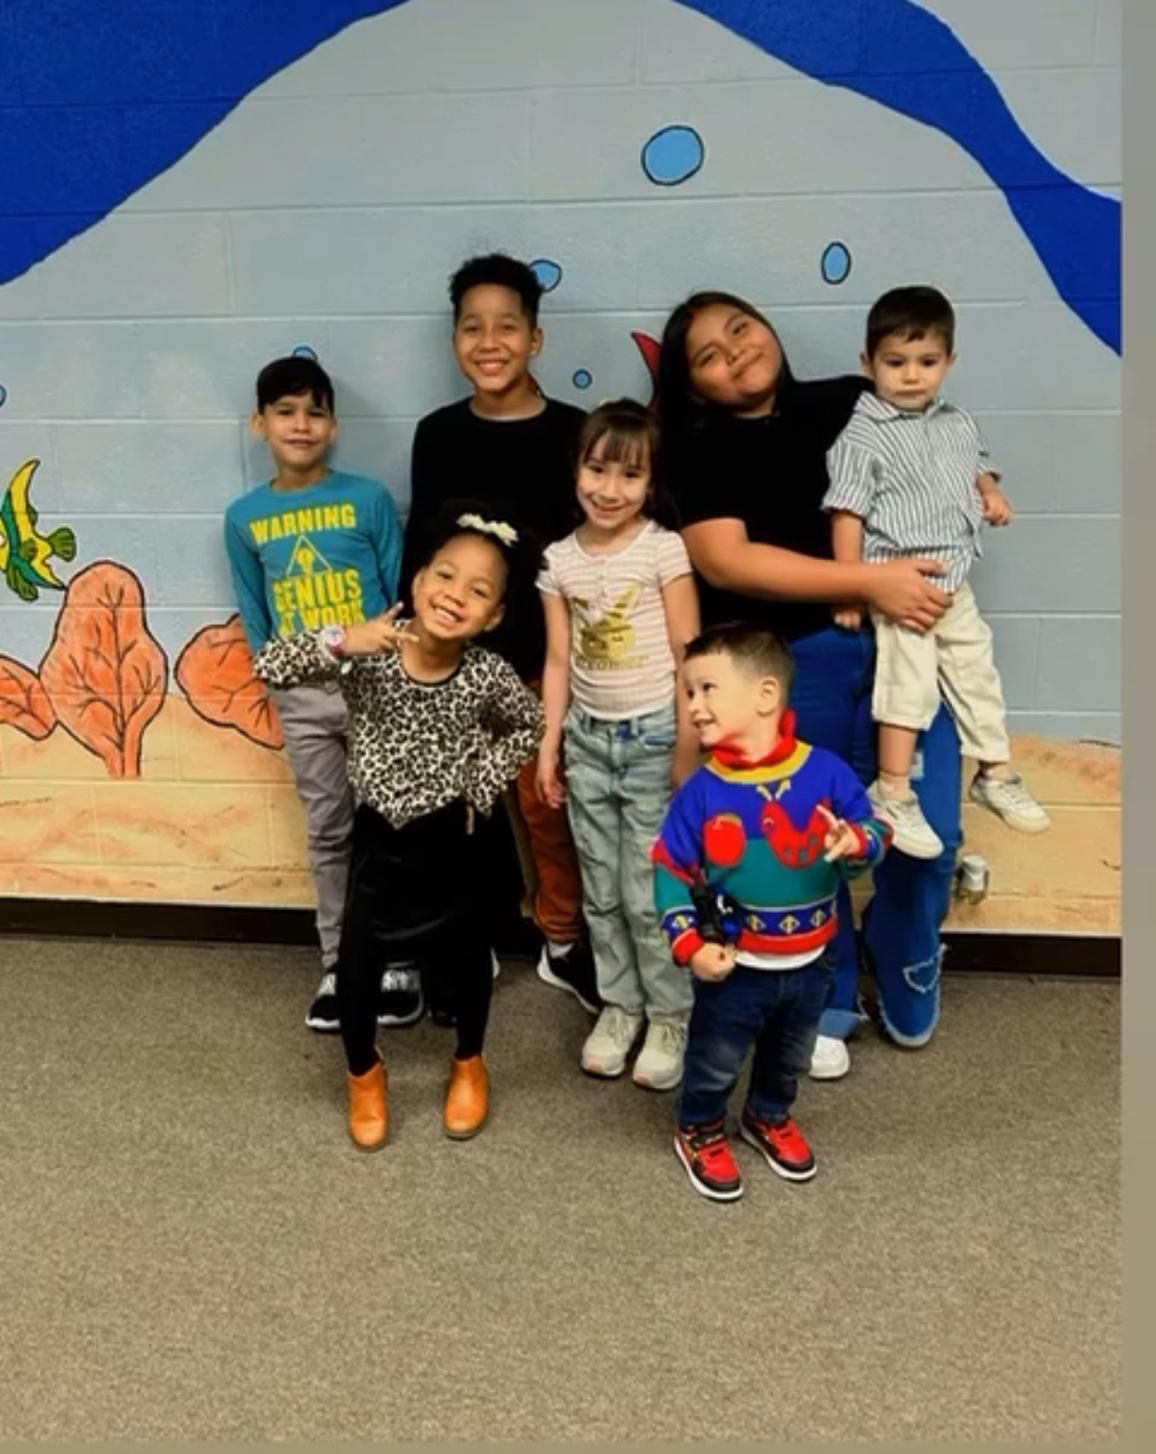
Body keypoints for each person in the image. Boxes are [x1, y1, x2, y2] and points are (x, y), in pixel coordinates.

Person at [657, 291, 983, 1067]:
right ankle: (826, 983)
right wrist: (867, 581)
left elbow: (942, 462)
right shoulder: (695, 446)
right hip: (790, 664)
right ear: (693, 385)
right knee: (804, 843)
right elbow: (725, 560)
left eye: (739, 327)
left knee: (927, 834)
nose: (734, 350)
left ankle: (904, 955)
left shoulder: (850, 399)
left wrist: (986, 486)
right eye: (708, 354)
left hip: (909, 643)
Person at [252, 512, 544, 1150]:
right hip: (380, 842)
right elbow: (269, 663)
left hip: (454, 841)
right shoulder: (371, 654)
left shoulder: (487, 674)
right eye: (445, 575)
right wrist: (340, 639)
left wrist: (481, 782)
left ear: (493, 615)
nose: (455, 594)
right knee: (358, 968)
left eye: (478, 590)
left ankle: (469, 1061)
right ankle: (364, 1072)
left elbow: (528, 724)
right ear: (416, 580)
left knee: (468, 960)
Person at [402, 252, 599, 1014]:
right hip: (452, 663)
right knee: (455, 811)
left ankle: (561, 940)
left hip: (540, 665)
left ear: (535, 340)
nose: (489, 342)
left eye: (507, 326)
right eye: (472, 327)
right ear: (455, 340)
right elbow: (423, 549)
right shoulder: (438, 433)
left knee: (547, 806)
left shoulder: (576, 433)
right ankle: (469, 933)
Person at [652, 625, 890, 1201]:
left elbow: (875, 831)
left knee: (790, 1056)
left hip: (814, 962)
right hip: (736, 967)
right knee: (715, 1058)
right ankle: (700, 1127)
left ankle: (767, 1115)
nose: (694, 706)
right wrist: (688, 945)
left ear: (764, 695)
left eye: (707, 688)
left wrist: (859, 843)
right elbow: (669, 870)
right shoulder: (701, 792)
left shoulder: (826, 772)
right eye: (688, 693)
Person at [224, 354, 420, 1032]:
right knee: (330, 832)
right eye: (285, 411)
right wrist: (334, 642)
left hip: (380, 695)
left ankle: (397, 958)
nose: (300, 424)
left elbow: (401, 607)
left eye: (314, 411)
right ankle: (340, 962)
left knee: (389, 826)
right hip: (304, 701)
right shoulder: (245, 518)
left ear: (334, 425)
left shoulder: (366, 499)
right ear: (260, 423)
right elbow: (262, 638)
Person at [825, 285, 1049, 857]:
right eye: (894, 363)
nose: (911, 376)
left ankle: (995, 771)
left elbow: (976, 465)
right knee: (911, 683)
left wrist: (990, 491)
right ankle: (892, 789)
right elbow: (847, 512)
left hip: (955, 579)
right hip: (902, 582)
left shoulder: (956, 420)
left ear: (950, 362)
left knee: (977, 670)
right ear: (867, 363)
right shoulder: (862, 434)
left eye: (926, 363)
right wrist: (850, 584)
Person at [536, 400, 699, 1090]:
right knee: (600, 891)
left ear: (650, 482)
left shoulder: (663, 547)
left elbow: (690, 652)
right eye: (596, 469)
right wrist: (550, 747)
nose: (608, 489)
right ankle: (621, 1005)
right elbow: (556, 660)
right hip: (588, 741)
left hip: (657, 735)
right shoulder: (558, 561)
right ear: (575, 468)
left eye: (628, 476)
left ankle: (671, 1013)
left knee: (646, 891)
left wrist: (690, 748)